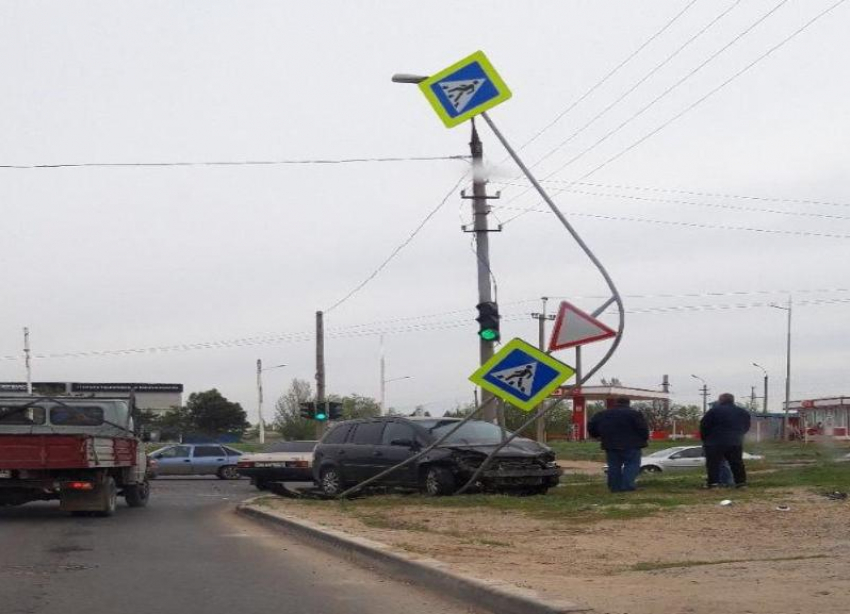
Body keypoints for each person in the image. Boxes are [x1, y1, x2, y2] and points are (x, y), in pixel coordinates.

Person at [588, 397, 649, 492]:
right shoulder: (635, 414)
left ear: (616, 403)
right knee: (632, 465)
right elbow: (643, 428)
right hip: (632, 445)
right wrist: (644, 438)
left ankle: (614, 487)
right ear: (628, 403)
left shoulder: (603, 414)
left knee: (613, 466)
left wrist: (596, 435)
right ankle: (627, 486)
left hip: (610, 444)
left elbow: (591, 425)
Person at [700, 393, 752, 488]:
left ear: (721, 400)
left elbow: (704, 426)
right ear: (732, 400)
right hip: (735, 442)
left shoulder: (713, 411)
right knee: (737, 463)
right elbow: (747, 426)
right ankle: (741, 483)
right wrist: (739, 435)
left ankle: (713, 483)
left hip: (715, 442)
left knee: (713, 464)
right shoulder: (742, 412)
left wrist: (706, 439)